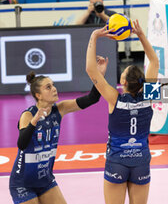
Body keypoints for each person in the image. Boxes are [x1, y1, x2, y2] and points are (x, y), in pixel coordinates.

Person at [9, 58, 108, 204]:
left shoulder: (60, 109)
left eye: (53, 85)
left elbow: (92, 99)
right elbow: (22, 144)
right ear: (38, 95)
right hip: (23, 183)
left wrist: (99, 75)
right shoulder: (28, 115)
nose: (54, 89)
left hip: (45, 181)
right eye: (48, 87)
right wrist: (34, 122)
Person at [85, 20, 159, 204]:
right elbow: (154, 61)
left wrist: (94, 36)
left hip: (117, 161)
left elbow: (90, 69)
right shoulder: (149, 96)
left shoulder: (114, 98)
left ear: (123, 82)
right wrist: (141, 35)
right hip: (141, 160)